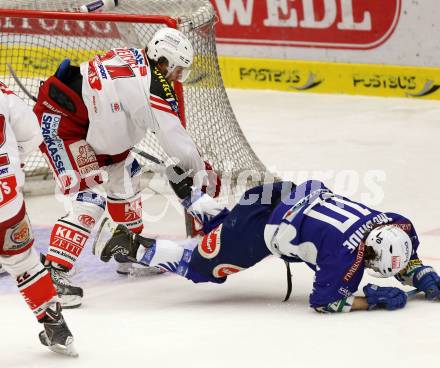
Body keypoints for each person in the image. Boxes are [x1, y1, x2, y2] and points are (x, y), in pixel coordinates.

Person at [32, 27, 220, 308]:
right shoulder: (150, 87)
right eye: (177, 69)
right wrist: (199, 171)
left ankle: (126, 250)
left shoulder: (140, 62)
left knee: (128, 172)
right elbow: (173, 138)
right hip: (64, 124)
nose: (178, 77)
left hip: (91, 126)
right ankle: (52, 273)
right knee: (90, 196)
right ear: (163, 60)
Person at [95, 173, 440, 313]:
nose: (368, 266)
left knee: (227, 228)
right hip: (261, 228)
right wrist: (372, 301)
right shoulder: (344, 256)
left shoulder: (396, 224)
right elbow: (324, 302)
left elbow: (403, 251)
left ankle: (194, 197)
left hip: (277, 192)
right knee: (203, 268)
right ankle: (130, 244)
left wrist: (417, 272)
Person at [0, 81, 77, 356]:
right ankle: (56, 327)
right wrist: (11, 159)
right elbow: (33, 133)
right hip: (7, 201)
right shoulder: (4, 94)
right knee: (24, 262)